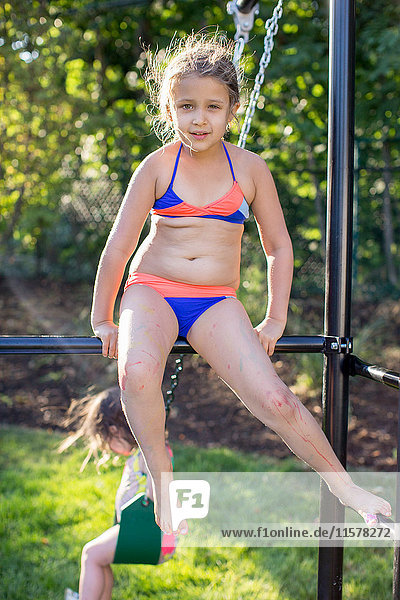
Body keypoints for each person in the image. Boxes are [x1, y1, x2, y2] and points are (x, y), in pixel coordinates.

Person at [90, 32, 391, 535]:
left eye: (212, 106)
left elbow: (278, 246)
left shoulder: (249, 170)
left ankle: (349, 488)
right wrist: (102, 317)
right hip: (153, 289)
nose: (199, 119)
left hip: (214, 301)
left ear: (232, 108)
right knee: (136, 373)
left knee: (276, 399)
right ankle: (159, 478)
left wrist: (275, 317)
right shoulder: (157, 167)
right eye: (186, 106)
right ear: (170, 109)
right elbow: (118, 247)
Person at [59, 387, 177, 600]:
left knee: (90, 554)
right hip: (153, 535)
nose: (108, 448)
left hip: (150, 533)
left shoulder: (149, 452)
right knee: (99, 561)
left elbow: (156, 488)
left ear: (114, 430)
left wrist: (150, 500)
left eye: (106, 440)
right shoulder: (149, 450)